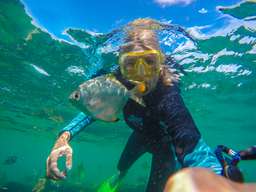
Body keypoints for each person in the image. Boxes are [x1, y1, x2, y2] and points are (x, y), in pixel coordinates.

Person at [46, 18, 222, 192]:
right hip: (139, 136)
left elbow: (190, 141)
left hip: (164, 148)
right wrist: (63, 138)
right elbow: (91, 109)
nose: (140, 74)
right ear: (121, 65)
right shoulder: (115, 85)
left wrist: (216, 182)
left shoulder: (167, 95)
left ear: (161, 63)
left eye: (149, 62)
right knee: (122, 165)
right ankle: (120, 176)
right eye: (131, 64)